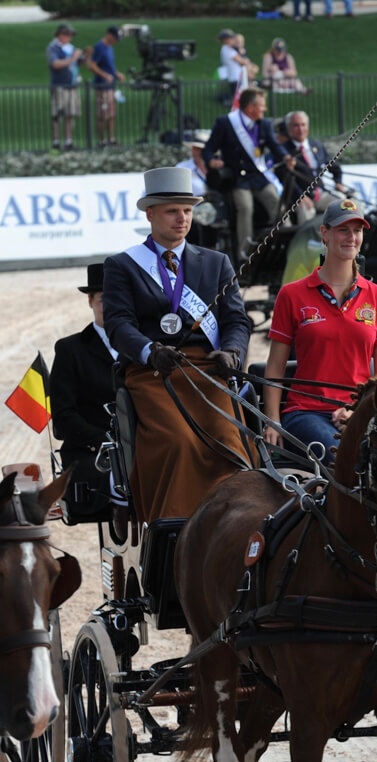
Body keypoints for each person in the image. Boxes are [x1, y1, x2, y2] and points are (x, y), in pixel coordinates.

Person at [102, 167, 253, 524]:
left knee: (228, 441)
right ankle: (172, 528)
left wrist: (232, 352)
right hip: (153, 372)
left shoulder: (216, 263)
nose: (182, 218)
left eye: (187, 210)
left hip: (209, 369)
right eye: (172, 211)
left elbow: (237, 321)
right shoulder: (122, 266)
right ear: (150, 214)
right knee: (177, 442)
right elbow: (118, 324)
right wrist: (149, 350)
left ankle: (237, 523)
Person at [263, 200, 377, 463]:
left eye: (357, 231)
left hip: (360, 414)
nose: (351, 237)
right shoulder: (291, 294)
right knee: (348, 460)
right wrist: (272, 421)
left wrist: (357, 410)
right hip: (305, 413)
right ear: (324, 234)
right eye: (342, 230)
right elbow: (275, 366)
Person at [50, 264, 116, 522]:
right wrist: (106, 442)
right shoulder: (70, 350)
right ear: (90, 300)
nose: (112, 307)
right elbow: (63, 417)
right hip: (94, 454)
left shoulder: (144, 348)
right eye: (104, 301)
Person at [201, 87, 293, 261]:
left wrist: (286, 157)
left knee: (276, 202)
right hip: (238, 178)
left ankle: (289, 243)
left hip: (258, 176)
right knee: (245, 207)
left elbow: (274, 145)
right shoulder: (225, 123)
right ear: (251, 108)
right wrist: (211, 161)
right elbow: (208, 149)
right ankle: (245, 253)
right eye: (262, 105)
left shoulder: (264, 124)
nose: (265, 109)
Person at [277, 110, 350, 224]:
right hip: (297, 197)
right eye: (296, 126)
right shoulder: (282, 150)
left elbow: (335, 167)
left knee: (344, 206)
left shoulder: (317, 145)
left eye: (303, 125)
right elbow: (284, 176)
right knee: (306, 211)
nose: (300, 129)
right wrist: (300, 197)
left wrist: (338, 182)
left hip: (320, 194)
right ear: (288, 128)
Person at [47, 23, 86, 152]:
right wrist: (73, 58)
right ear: (60, 35)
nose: (69, 37)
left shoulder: (71, 48)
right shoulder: (53, 48)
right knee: (57, 115)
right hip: (59, 86)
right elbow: (55, 64)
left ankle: (69, 141)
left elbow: (80, 62)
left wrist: (86, 56)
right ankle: (56, 141)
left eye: (70, 35)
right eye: (67, 34)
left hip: (72, 86)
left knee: (70, 114)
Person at [87, 26, 125, 148]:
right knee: (102, 115)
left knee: (111, 114)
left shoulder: (109, 48)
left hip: (110, 86)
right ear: (109, 35)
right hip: (102, 86)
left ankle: (111, 139)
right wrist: (105, 75)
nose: (116, 41)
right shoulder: (100, 47)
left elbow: (109, 66)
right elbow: (92, 65)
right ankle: (102, 141)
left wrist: (116, 74)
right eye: (115, 38)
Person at [218, 28, 257, 101]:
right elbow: (243, 61)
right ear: (224, 40)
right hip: (235, 78)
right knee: (240, 100)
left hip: (238, 78)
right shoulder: (226, 49)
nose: (233, 39)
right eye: (230, 38)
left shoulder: (230, 49)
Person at [175, 129, 210, 198]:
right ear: (193, 149)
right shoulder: (181, 168)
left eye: (202, 149)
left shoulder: (215, 167)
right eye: (196, 148)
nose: (199, 152)